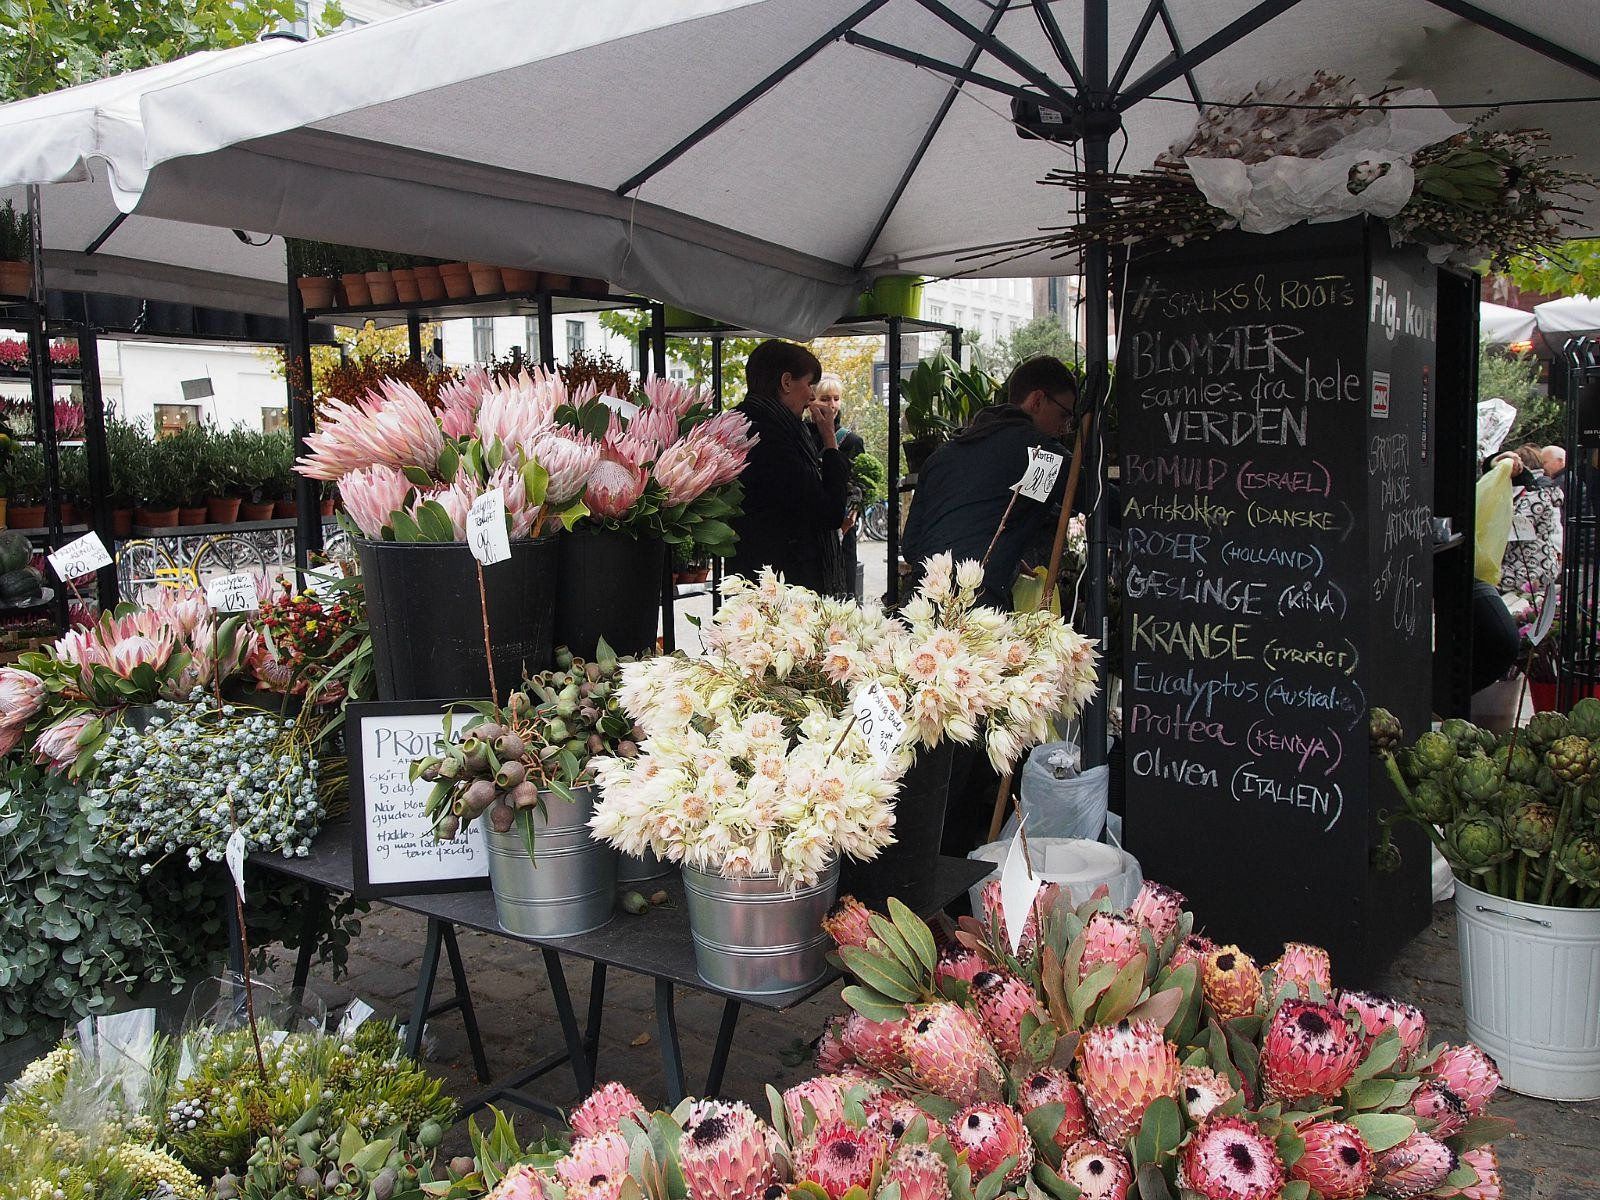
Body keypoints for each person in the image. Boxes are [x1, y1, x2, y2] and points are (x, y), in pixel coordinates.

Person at [901, 355, 1079, 609]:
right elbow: (1103, 501)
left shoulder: (942, 456)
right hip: (978, 613)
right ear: (1038, 400)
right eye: (1064, 416)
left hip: (919, 608)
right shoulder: (1040, 454)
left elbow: (911, 547)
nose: (1065, 428)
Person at [728, 340, 849, 594]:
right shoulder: (774, 436)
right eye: (808, 384)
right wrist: (829, 440)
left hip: (746, 571)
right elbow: (828, 511)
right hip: (785, 582)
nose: (812, 396)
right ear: (786, 382)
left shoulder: (734, 423)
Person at [807, 373, 866, 599]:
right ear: (812, 399)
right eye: (825, 398)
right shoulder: (801, 434)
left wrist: (851, 513)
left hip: (843, 528)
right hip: (810, 530)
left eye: (836, 398)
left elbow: (861, 484)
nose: (831, 404)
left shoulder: (851, 441)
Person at [1494, 447, 1564, 598]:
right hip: (1527, 563)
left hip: (1531, 567)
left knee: (1480, 579)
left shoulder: (1536, 494)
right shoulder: (1532, 491)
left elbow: (1514, 528)